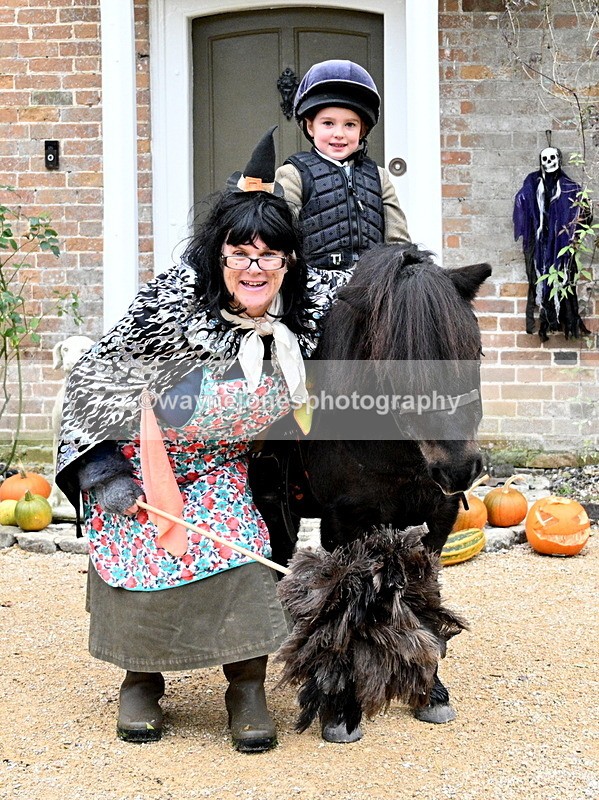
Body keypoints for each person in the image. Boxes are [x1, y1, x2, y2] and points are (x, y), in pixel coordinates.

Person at [55, 129, 344, 752]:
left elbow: (371, 293)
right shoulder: (171, 307)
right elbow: (92, 380)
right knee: (142, 553)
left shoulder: (311, 313)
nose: (254, 268)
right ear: (218, 258)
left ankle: (246, 687)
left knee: (242, 547)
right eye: (239, 254)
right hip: (144, 467)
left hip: (220, 467)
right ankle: (141, 680)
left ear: (290, 262)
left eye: (269, 255)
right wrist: (105, 474)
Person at [275, 59, 411, 272]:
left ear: (362, 130)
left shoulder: (379, 177)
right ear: (310, 126)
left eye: (350, 125)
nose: (339, 133)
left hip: (371, 282)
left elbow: (398, 242)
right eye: (328, 123)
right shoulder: (293, 174)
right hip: (311, 283)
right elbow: (281, 240)